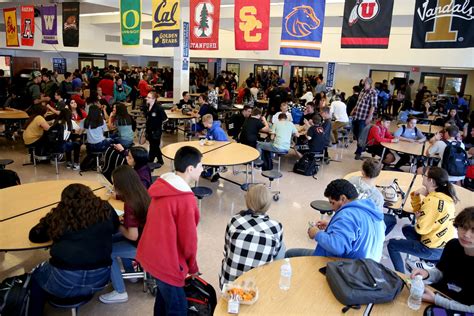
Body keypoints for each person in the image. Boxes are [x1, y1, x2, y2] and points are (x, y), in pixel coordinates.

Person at [28, 184, 119, 316]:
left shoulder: (61, 214)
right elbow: (115, 227)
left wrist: (50, 218)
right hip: (100, 278)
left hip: (63, 279)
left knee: (35, 276)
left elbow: (35, 235)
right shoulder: (105, 208)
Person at [136, 146, 203, 315]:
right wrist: (193, 267)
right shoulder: (186, 199)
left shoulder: (163, 186)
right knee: (178, 308)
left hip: (151, 254)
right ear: (190, 169)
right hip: (167, 261)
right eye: (201, 165)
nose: (203, 169)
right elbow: (188, 241)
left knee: (163, 300)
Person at [285, 179, 385, 261]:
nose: (332, 208)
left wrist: (316, 233)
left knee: (290, 254)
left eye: (332, 203)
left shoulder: (347, 215)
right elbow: (358, 236)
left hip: (344, 270)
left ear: (343, 198)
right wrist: (332, 225)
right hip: (367, 267)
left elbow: (338, 247)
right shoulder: (371, 212)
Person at [387, 167, 458, 273]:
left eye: (424, 175)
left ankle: (401, 275)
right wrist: (416, 196)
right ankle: (428, 260)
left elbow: (421, 229)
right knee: (407, 229)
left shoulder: (432, 201)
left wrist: (418, 218)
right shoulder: (445, 197)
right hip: (441, 244)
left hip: (431, 247)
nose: (422, 177)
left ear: (431, 181)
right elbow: (421, 212)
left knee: (391, 245)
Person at [99, 165, 151, 304]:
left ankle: (120, 291)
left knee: (107, 251)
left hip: (140, 244)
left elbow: (132, 236)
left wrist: (118, 225)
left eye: (114, 183)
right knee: (111, 239)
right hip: (148, 238)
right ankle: (131, 274)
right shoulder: (142, 193)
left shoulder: (130, 204)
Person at [410, 207, 474, 313]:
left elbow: (472, 309)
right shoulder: (453, 245)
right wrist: (427, 273)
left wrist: (437, 300)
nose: (466, 235)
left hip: (457, 309)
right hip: (435, 294)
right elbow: (441, 272)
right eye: (463, 227)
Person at [219, 184, 284, 288]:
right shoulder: (276, 227)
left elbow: (226, 249)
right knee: (281, 246)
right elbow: (275, 253)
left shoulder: (234, 221)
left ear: (247, 200)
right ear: (268, 204)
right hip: (258, 287)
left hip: (229, 285)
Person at [352, 77, 378, 160]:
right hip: (357, 115)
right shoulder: (362, 91)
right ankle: (363, 148)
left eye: (365, 83)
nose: (364, 85)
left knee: (361, 135)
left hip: (364, 117)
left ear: (369, 84)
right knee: (355, 133)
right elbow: (358, 102)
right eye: (364, 83)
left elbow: (373, 106)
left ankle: (359, 152)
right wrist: (353, 110)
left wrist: (369, 117)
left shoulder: (373, 93)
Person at [145, 92, 168, 165]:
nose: (147, 98)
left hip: (156, 131)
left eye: (149, 97)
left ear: (154, 99)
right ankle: (160, 160)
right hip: (149, 130)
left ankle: (150, 161)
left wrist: (158, 123)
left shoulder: (159, 108)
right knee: (155, 146)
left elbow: (165, 119)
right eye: (147, 97)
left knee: (153, 146)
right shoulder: (147, 106)